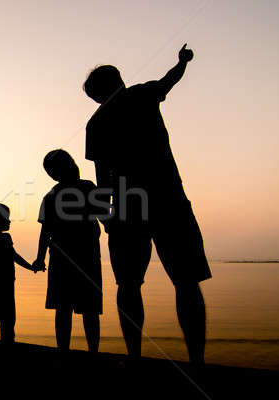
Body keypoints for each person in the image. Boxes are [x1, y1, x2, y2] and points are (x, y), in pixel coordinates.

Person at [83, 44, 211, 364]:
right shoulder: (141, 95)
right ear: (120, 80)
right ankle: (197, 360)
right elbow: (171, 78)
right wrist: (182, 61)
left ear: (98, 96)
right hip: (169, 200)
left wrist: (106, 218)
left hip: (127, 209)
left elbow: (101, 180)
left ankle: (135, 357)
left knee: (128, 284)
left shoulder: (96, 123)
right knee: (186, 281)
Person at [33, 150, 103, 353]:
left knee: (63, 309)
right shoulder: (88, 187)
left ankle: (63, 351)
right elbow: (104, 216)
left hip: (61, 258)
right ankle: (93, 352)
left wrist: (39, 258)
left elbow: (45, 233)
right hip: (87, 256)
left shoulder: (50, 196)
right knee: (89, 310)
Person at [0, 203, 43, 347]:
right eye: (7, 218)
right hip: (4, 284)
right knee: (8, 319)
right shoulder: (5, 238)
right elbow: (15, 257)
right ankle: (7, 349)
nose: (9, 221)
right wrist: (31, 267)